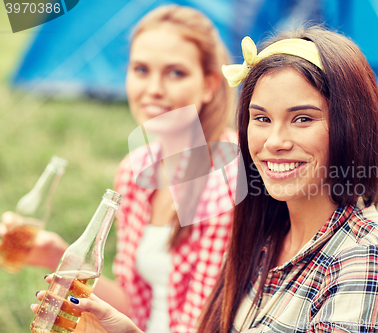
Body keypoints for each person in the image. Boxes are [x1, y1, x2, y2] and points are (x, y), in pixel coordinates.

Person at [33, 25, 378, 333]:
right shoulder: (267, 232)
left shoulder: (365, 264)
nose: (274, 142)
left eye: (303, 118)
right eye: (262, 118)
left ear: (351, 125)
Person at [26, 5, 237, 333]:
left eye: (175, 73)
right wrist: (54, 255)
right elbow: (136, 304)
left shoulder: (229, 179)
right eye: (141, 69)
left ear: (209, 84)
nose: (153, 88)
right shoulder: (136, 170)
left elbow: (207, 324)